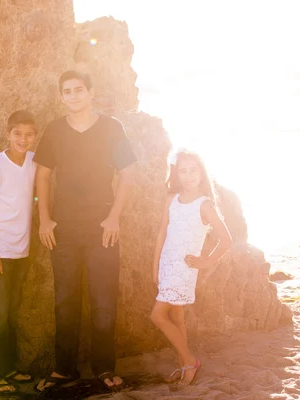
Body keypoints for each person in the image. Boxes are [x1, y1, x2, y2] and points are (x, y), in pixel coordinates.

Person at [34, 70, 136, 392]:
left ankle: (104, 367)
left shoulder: (111, 127)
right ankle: (65, 369)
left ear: (91, 93)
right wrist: (45, 219)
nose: (73, 95)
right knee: (65, 301)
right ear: (61, 96)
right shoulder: (54, 131)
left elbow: (129, 174)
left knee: (103, 301)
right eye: (67, 91)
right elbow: (43, 177)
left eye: (79, 90)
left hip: (101, 228)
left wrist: (114, 218)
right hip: (62, 229)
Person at [150, 149, 233, 386]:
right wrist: (154, 265)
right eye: (182, 171)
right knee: (176, 315)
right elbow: (161, 233)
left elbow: (226, 239)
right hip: (167, 263)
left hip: (184, 269)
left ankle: (189, 360)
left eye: (193, 170)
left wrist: (205, 262)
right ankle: (183, 365)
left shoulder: (204, 205)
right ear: (176, 173)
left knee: (157, 315)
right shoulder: (171, 200)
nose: (187, 176)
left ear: (201, 173)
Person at [0, 110, 38, 395]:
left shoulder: (33, 163)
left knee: (11, 313)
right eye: (17, 134)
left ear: (34, 136)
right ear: (8, 134)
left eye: (28, 134)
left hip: (21, 251)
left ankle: (8, 368)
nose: (22, 139)